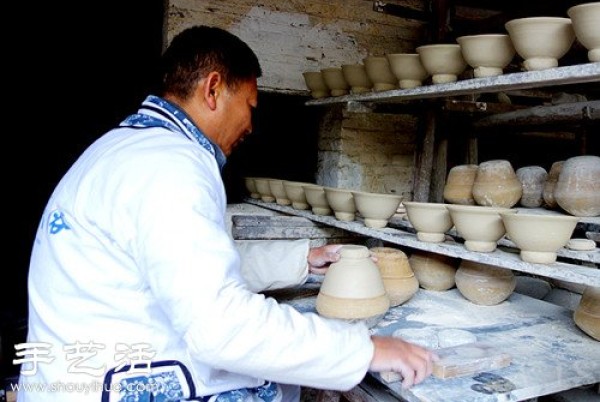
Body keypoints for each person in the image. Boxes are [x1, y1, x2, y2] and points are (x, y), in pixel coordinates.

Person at [17, 25, 436, 402]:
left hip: (75, 371)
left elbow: (177, 263)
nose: (251, 125)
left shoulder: (128, 147)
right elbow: (220, 327)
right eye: (251, 105)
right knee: (274, 384)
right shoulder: (171, 166)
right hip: (106, 381)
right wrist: (365, 350)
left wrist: (298, 261)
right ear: (213, 89)